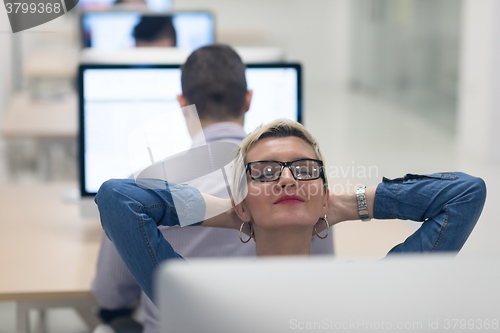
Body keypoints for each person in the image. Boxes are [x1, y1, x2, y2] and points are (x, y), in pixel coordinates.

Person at [95, 119, 487, 305]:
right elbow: (118, 199)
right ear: (241, 201)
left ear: (324, 197)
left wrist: (349, 204)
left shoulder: (370, 291)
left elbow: (465, 194)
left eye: (303, 170)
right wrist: (229, 211)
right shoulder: (204, 296)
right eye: (264, 173)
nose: (286, 180)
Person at [91, 45, 333, 333]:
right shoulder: (303, 190)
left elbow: (111, 295)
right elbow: (319, 279)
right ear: (248, 99)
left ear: (184, 105)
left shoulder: (144, 189)